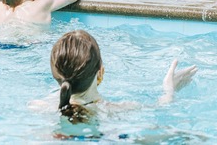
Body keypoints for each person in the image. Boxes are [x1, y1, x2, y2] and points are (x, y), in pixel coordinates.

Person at [49, 30, 197, 129]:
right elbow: (161, 110)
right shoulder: (118, 110)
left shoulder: (39, 107)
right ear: (100, 73)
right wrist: (169, 90)